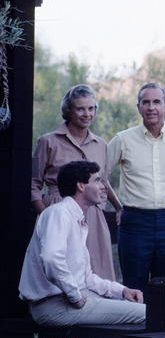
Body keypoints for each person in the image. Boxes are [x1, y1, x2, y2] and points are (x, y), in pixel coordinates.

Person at [19, 160, 145, 327]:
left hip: (68, 300)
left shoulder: (75, 218)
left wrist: (122, 291)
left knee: (142, 309)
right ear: (80, 186)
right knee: (149, 314)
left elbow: (86, 278)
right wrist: (75, 295)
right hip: (54, 306)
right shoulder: (59, 213)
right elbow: (51, 259)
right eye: (97, 181)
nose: (103, 187)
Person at [106, 82, 165, 293]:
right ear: (138, 107)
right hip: (134, 222)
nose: (151, 107)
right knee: (133, 289)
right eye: (145, 102)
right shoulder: (122, 139)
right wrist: (118, 207)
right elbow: (100, 175)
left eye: (157, 102)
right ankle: (135, 327)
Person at [31, 84, 122, 280]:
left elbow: (103, 182)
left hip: (93, 216)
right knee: (61, 271)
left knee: (98, 273)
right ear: (68, 111)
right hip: (58, 210)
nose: (86, 114)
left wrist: (112, 207)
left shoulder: (101, 144)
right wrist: (46, 214)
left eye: (91, 108)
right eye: (80, 108)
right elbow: (32, 184)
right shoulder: (47, 142)